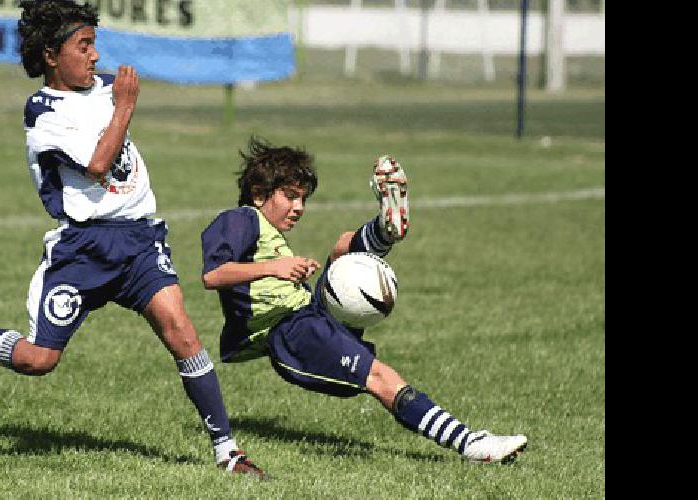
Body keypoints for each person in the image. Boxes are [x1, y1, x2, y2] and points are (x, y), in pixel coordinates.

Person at [0, 0, 266, 478]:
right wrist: (126, 107)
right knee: (38, 360)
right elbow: (96, 163)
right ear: (52, 55)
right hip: (84, 251)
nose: (95, 56)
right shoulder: (43, 112)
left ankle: (228, 453)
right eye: (84, 45)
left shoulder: (104, 88)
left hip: (138, 241)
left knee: (183, 334)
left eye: (95, 44)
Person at [199, 137, 528, 464]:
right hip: (290, 332)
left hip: (306, 313)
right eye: (290, 196)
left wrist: (290, 270)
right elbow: (213, 275)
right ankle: (470, 444)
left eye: (303, 199)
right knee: (381, 377)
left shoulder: (266, 231)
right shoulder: (239, 219)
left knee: (343, 247)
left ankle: (385, 230)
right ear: (258, 194)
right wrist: (277, 267)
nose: (299, 207)